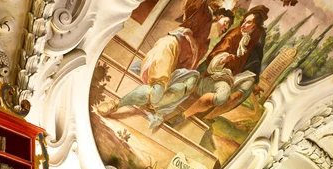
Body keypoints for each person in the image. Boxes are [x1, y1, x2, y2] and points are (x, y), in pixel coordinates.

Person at [96, 0, 234, 128]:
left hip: (174, 67)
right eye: (225, 22)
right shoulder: (206, 14)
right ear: (218, 16)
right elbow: (195, 3)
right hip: (169, 48)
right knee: (157, 92)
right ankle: (115, 104)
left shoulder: (205, 44)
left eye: (227, 28)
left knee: (189, 81)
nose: (225, 28)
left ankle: (154, 103)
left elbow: (187, 68)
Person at [182, 5, 268, 120]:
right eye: (244, 21)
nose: (243, 24)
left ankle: (208, 117)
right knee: (223, 94)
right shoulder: (235, 34)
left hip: (233, 75)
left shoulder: (257, 36)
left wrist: (254, 79)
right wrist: (223, 58)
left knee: (240, 93)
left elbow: (256, 58)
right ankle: (185, 115)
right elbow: (216, 54)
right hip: (214, 72)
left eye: (248, 23)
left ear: (256, 26)